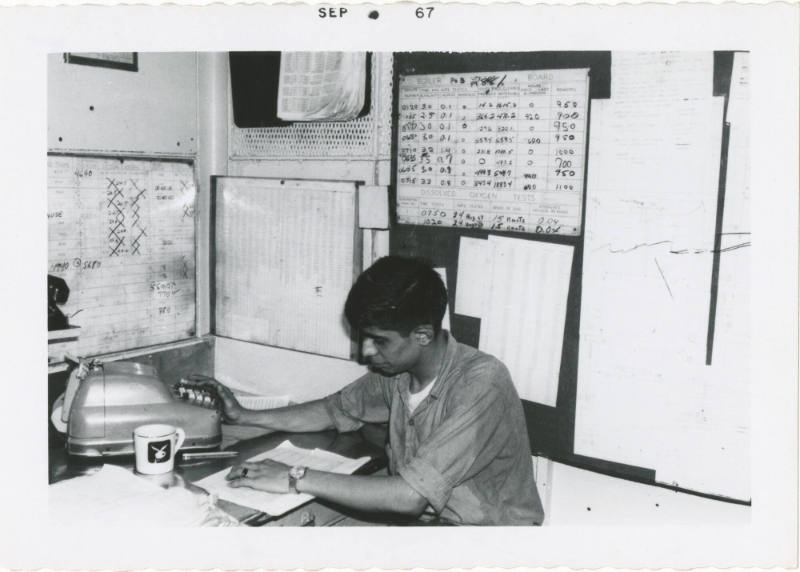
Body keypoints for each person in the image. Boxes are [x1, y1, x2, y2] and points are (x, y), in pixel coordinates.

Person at [202, 256, 544, 525]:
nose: (365, 352)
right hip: (431, 529)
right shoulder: (397, 372)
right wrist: (245, 416)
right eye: (363, 337)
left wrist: (294, 477)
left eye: (379, 341)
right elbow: (332, 410)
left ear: (422, 335)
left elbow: (409, 497)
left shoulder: (482, 383)